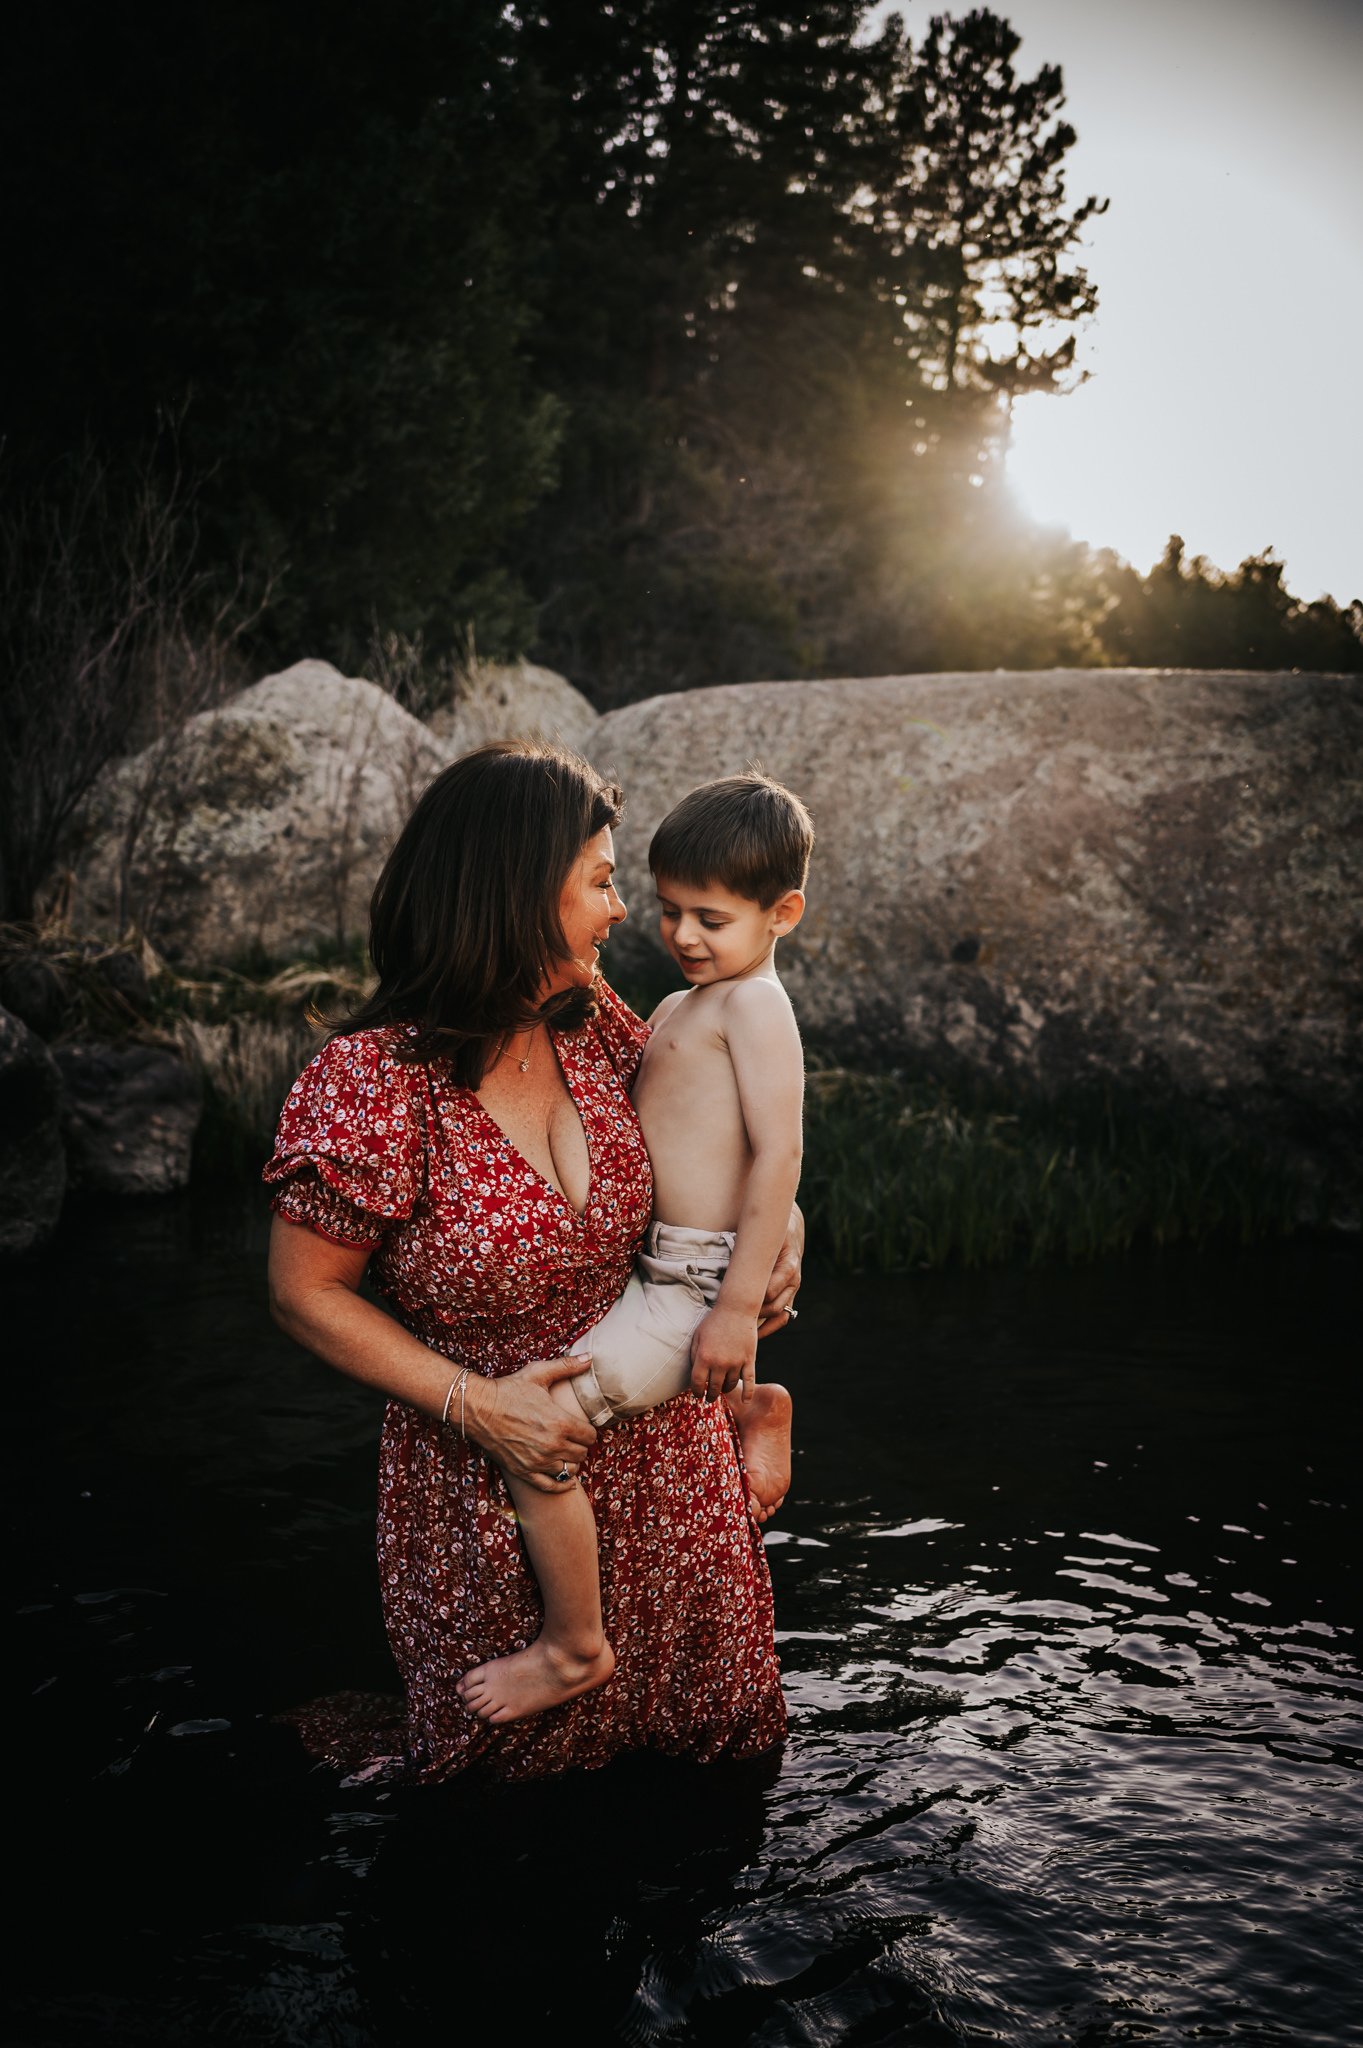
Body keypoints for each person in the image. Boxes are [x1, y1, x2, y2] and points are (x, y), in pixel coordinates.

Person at [264, 741, 799, 1784]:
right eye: (600, 882)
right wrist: (480, 1403)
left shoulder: (598, 1023)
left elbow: (726, 1146)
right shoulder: (369, 1080)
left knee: (706, 1801)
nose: (620, 913)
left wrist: (785, 1246)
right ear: (513, 892)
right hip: (490, 1475)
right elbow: (302, 1293)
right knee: (507, 1829)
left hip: (669, 1467)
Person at [457, 772, 809, 1726]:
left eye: (711, 918)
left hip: (693, 1285)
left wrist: (737, 1307)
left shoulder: (754, 1009)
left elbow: (781, 1148)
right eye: (668, 911)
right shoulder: (676, 1006)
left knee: (541, 1435)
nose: (683, 936)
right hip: (663, 1267)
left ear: (783, 914)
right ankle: (751, 1407)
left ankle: (574, 1646)